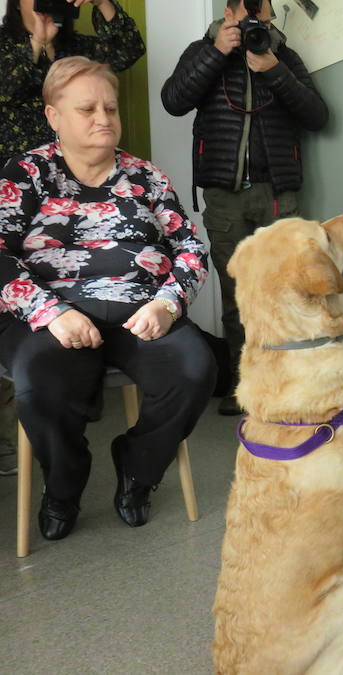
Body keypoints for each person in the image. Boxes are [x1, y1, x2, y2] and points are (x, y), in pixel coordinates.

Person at [0, 56, 216, 541]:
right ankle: (64, 485)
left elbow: (190, 246)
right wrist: (49, 311)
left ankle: (138, 468)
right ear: (54, 116)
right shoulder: (26, 173)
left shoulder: (146, 176)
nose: (104, 118)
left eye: (111, 108)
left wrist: (168, 303)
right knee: (37, 382)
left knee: (195, 368)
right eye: (87, 109)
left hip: (140, 310)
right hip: (51, 315)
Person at [161, 0, 328, 416]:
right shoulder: (204, 48)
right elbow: (174, 100)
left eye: (265, 17)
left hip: (277, 191)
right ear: (230, 11)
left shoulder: (284, 57)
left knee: (287, 292)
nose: (259, 23)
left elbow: (316, 116)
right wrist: (218, 51)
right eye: (251, 15)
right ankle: (246, 383)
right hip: (223, 194)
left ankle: (289, 383)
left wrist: (274, 69)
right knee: (236, 294)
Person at [0, 0, 145, 165]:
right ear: (17, 4)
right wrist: (37, 44)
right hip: (15, 172)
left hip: (79, 169)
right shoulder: (4, 45)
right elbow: (6, 91)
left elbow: (130, 49)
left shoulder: (76, 48)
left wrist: (102, 3)